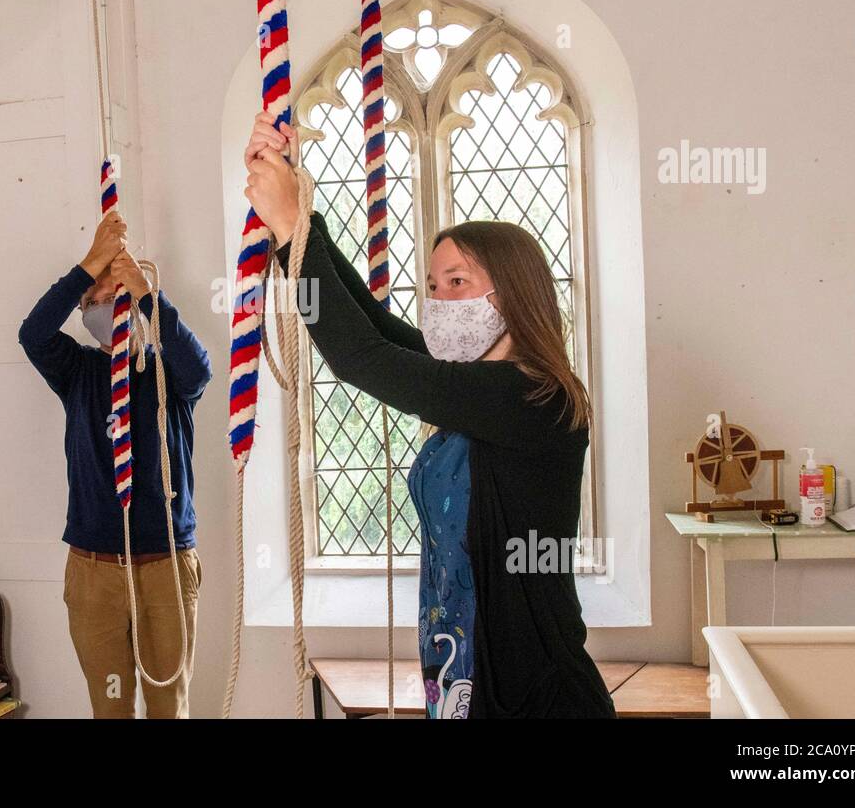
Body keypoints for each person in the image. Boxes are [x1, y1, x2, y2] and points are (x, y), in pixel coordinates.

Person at [241, 112, 615, 718]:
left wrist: (287, 224)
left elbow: (361, 359)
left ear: (513, 296)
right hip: (469, 681)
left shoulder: (533, 396)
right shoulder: (475, 383)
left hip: (538, 699)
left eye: (458, 281)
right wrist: (301, 218)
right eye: (434, 286)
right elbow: (372, 326)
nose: (439, 301)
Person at [19, 210, 212, 718]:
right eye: (93, 303)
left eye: (113, 297)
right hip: (95, 570)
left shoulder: (167, 373)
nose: (103, 308)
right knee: (110, 707)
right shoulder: (78, 371)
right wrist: (90, 266)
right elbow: (33, 333)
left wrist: (149, 296)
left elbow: (201, 367)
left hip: (164, 565)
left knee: (170, 704)